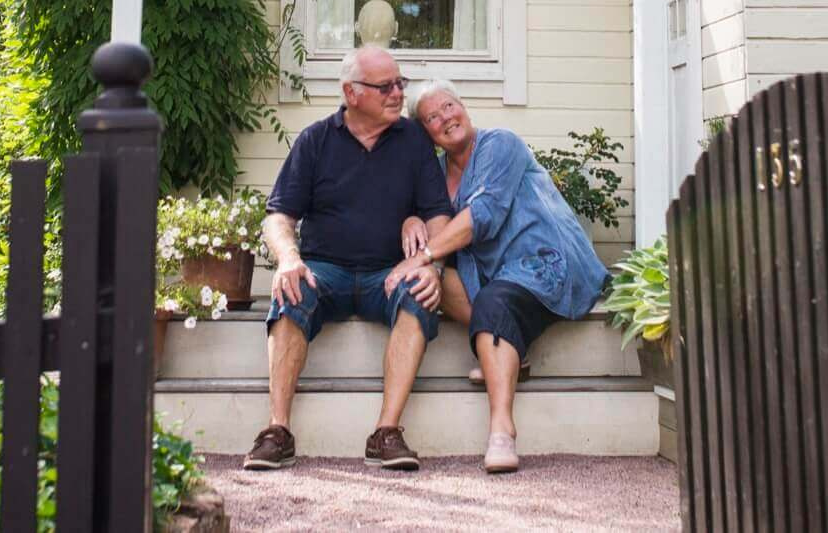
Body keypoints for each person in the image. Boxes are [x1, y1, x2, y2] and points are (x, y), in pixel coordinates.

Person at [242, 45, 452, 473]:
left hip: (388, 273)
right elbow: (278, 216)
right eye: (385, 86)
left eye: (400, 84)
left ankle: (386, 433)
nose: (397, 93)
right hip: (326, 270)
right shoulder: (316, 140)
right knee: (290, 288)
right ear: (351, 93)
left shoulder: (413, 139)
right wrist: (287, 259)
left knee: (422, 291)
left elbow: (438, 214)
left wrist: (432, 264)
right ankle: (277, 431)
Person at [388, 80, 609, 474]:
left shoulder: (499, 144)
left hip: (543, 261)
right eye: (433, 117)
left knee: (493, 301)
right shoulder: (436, 172)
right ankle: (512, 351)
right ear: (427, 134)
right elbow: (425, 211)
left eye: (450, 106)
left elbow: (483, 214)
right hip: (495, 278)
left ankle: (501, 431)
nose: (446, 118)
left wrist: (424, 254)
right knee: (434, 284)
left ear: (464, 107)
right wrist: (410, 219)